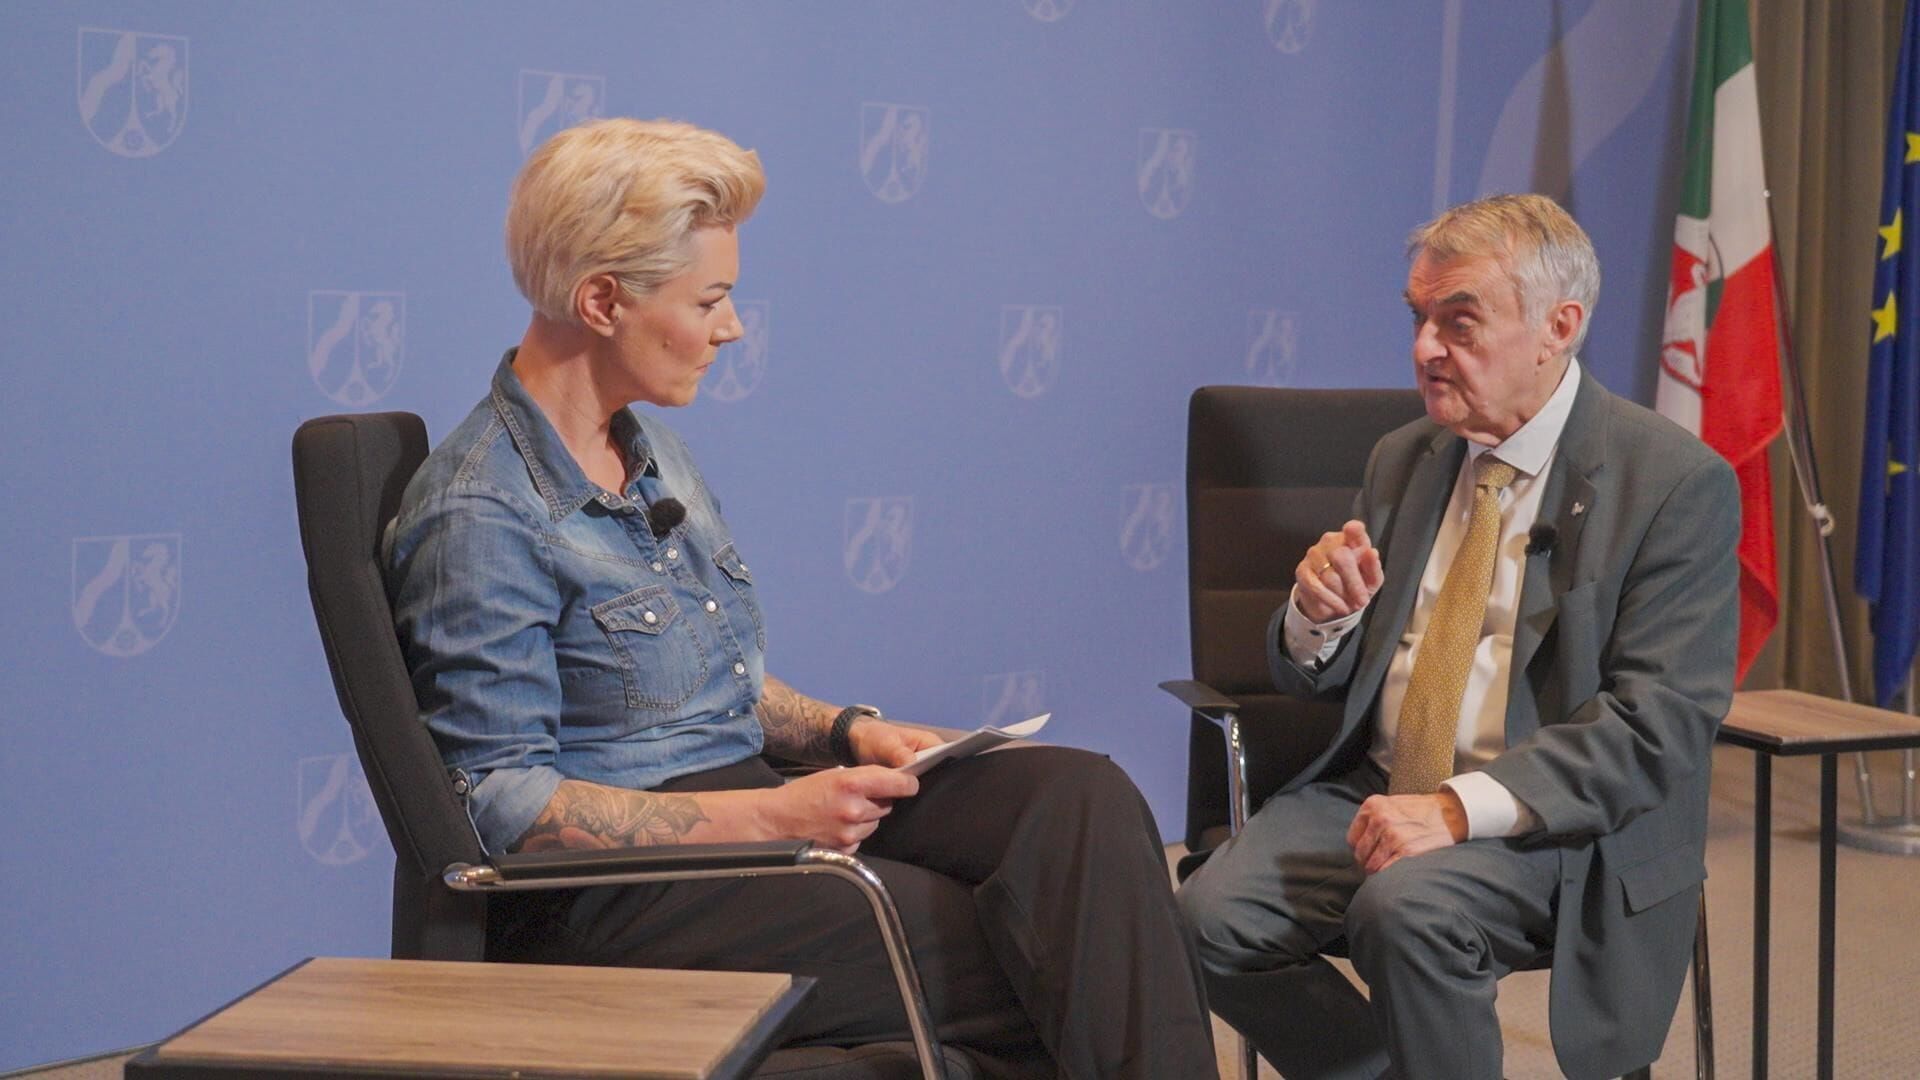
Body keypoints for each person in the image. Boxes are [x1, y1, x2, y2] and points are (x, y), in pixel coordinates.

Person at [384, 117, 1216, 1079]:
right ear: (603, 300)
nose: (732, 328)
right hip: (618, 896)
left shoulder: (648, 451)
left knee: (1079, 801)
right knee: (1056, 952)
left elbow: (706, 681)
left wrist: (846, 732)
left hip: (740, 798)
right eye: (710, 300)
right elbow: (502, 808)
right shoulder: (483, 509)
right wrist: (776, 820)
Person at [1176, 194, 1738, 1080]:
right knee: (1204, 920)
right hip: (1379, 787)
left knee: (1406, 910)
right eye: (1419, 317)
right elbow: (1324, 675)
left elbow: (1656, 724)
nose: (1424, 349)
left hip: (1555, 824)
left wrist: (1456, 809)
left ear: (1558, 328)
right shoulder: (1405, 457)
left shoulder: (1671, 483)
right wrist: (1321, 615)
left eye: (1459, 322)